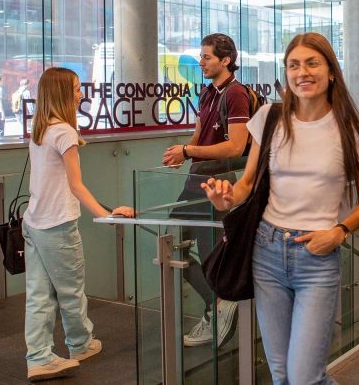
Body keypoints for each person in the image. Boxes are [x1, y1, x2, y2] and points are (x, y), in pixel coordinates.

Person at [202, 32, 359, 384]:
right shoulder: (269, 117)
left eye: (312, 63)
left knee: (303, 377)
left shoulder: (351, 129)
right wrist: (226, 199)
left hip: (317, 256)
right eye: (294, 65)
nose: (302, 72)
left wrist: (339, 232)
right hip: (266, 251)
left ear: (330, 71)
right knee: (282, 373)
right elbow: (247, 184)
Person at [22, 67, 135, 381]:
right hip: (57, 225)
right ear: (61, 93)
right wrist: (106, 214)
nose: (81, 94)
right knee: (71, 291)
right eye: (75, 89)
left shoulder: (41, 128)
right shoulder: (65, 132)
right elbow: (76, 185)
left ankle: (40, 357)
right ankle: (81, 344)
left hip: (33, 222)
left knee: (39, 295)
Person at [161, 33, 251, 348]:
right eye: (201, 57)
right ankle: (219, 304)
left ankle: (220, 306)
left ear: (226, 60)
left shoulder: (236, 94)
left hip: (216, 184)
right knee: (172, 247)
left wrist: (187, 152)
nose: (201, 62)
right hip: (197, 180)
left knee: (208, 254)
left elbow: (237, 146)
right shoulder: (208, 93)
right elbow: (198, 138)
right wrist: (182, 153)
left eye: (207, 57)